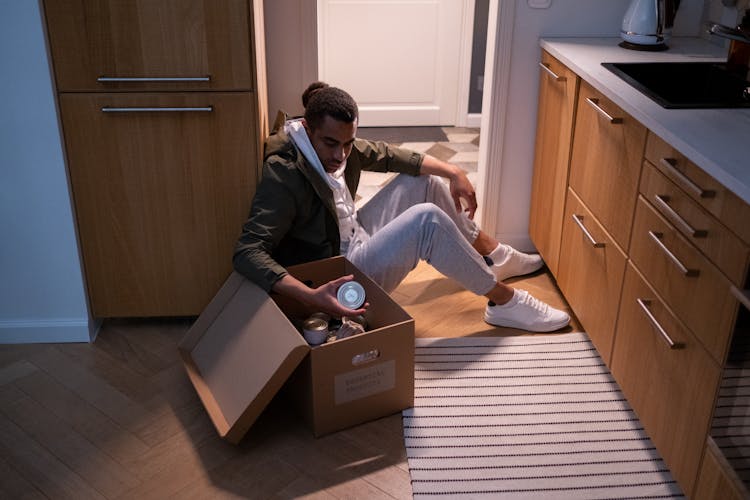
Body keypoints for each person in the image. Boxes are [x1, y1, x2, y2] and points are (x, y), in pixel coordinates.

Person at [233, 82, 570, 332]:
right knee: (426, 221)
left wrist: (455, 172)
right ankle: (504, 301)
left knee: (422, 182)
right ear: (308, 128)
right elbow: (247, 251)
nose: (340, 156)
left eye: (348, 144)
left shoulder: (335, 143)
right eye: (331, 144)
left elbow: (390, 155)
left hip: (354, 238)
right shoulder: (284, 172)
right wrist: (312, 296)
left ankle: (494, 256)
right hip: (339, 277)